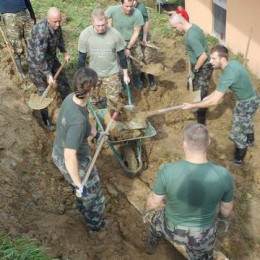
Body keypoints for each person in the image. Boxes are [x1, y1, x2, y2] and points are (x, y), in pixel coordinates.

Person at [143, 123, 234, 259]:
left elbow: (153, 202)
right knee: (204, 255)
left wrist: (146, 211)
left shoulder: (167, 170)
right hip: (202, 237)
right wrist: (220, 220)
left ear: (184, 144)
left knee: (155, 221)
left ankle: (151, 245)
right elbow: (226, 210)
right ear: (208, 143)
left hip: (171, 228)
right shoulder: (224, 175)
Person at [52, 67, 107, 236]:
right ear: (90, 90)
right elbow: (70, 156)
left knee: (85, 193)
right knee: (93, 197)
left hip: (60, 153)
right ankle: (96, 228)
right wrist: (79, 184)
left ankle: (83, 205)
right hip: (71, 160)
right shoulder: (77, 122)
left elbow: (85, 121)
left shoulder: (71, 98)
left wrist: (96, 134)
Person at [182, 45, 260, 166]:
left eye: (213, 58)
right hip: (253, 98)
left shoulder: (228, 74)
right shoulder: (232, 64)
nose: (210, 61)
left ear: (222, 59)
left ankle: (239, 160)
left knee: (236, 133)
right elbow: (219, 91)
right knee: (247, 121)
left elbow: (215, 101)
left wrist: (193, 106)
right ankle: (250, 141)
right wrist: (208, 97)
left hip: (246, 103)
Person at [78, 8, 130, 112]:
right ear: (92, 22)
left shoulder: (115, 34)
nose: (101, 28)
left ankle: (113, 121)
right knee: (92, 100)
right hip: (92, 73)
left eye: (103, 25)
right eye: (98, 25)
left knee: (114, 101)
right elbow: (81, 58)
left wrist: (125, 75)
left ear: (106, 22)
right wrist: (80, 77)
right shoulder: (85, 35)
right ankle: (94, 120)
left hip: (111, 72)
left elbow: (122, 56)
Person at [27, 7, 71, 130]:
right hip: (36, 63)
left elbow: (59, 38)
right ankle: (46, 121)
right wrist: (48, 74)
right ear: (47, 19)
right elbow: (39, 58)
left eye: (59, 21)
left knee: (63, 81)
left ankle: (69, 107)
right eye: (54, 22)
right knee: (43, 89)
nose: (57, 24)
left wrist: (64, 52)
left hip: (50, 56)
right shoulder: (42, 33)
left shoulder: (57, 26)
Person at [169, 14, 213, 125]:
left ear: (180, 23)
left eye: (175, 27)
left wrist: (195, 70)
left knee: (200, 94)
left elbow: (203, 56)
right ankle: (195, 105)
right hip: (198, 65)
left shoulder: (191, 36)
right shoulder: (193, 27)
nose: (175, 30)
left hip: (203, 67)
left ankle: (201, 122)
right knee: (192, 85)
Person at [106, 0, 144, 88]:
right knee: (121, 63)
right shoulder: (113, 10)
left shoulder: (137, 13)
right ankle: (123, 82)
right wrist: (109, 28)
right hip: (118, 41)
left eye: (131, 6)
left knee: (137, 61)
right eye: (126, 6)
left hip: (132, 41)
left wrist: (128, 47)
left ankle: (136, 80)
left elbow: (136, 32)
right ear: (121, 3)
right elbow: (101, 18)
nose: (129, 8)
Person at [0, 0, 36, 78]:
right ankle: (21, 72)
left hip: (24, 13)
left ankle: (35, 67)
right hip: (10, 17)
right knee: (16, 46)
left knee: (32, 41)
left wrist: (32, 13)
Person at [133, 0, 157, 91]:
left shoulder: (141, 7)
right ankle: (141, 77)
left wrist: (144, 38)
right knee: (138, 59)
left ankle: (151, 80)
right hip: (133, 38)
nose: (133, 3)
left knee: (147, 58)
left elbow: (146, 23)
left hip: (142, 35)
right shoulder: (125, 7)